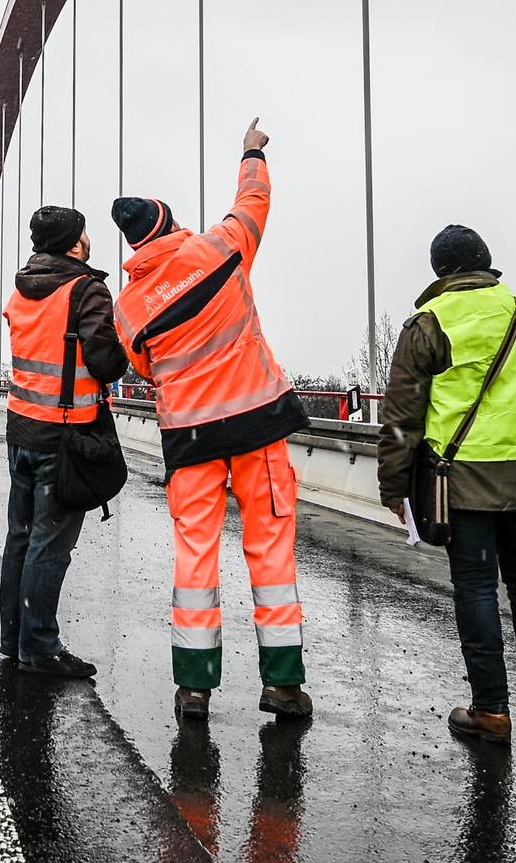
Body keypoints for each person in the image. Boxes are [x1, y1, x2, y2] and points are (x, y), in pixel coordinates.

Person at [114, 117, 313, 720]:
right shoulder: (220, 247)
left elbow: (144, 368)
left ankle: (194, 687)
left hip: (191, 441)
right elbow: (254, 200)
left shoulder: (127, 309)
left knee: (194, 558)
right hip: (257, 429)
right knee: (272, 557)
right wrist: (251, 151)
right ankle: (281, 685)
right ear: (170, 224)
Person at [375, 224, 516, 742]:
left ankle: (491, 711)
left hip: (460, 487)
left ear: (440, 273)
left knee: (476, 591)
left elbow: (403, 419)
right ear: (488, 264)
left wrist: (393, 488)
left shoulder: (429, 324)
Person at [0, 203, 126, 678]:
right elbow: (105, 360)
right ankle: (39, 648)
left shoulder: (21, 289)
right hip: (65, 435)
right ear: (75, 243)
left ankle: (13, 640)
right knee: (49, 545)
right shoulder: (86, 290)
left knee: (21, 537)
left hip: (21, 428)